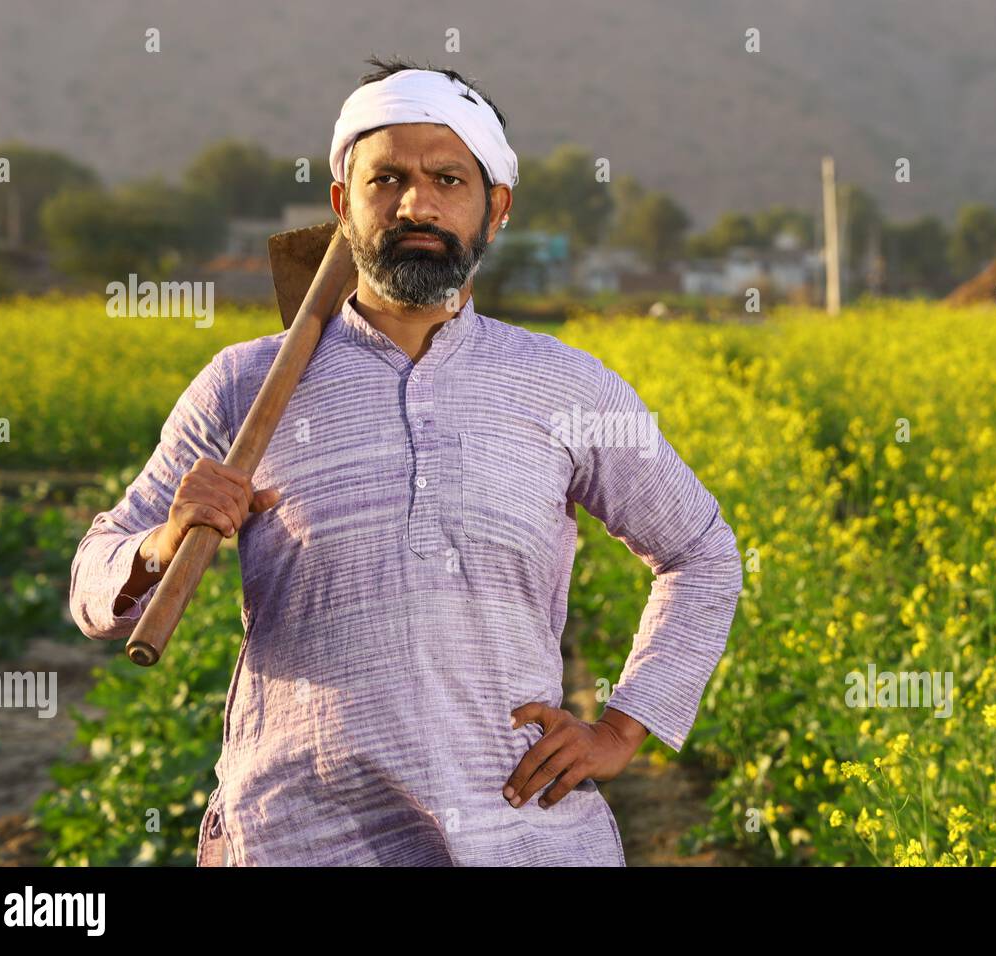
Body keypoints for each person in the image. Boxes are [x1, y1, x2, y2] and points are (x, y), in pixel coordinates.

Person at [69, 55, 743, 866]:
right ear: (341, 205)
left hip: (519, 830)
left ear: (496, 210)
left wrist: (623, 726)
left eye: (448, 180)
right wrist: (161, 542)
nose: (415, 203)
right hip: (301, 835)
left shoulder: (566, 385)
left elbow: (701, 552)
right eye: (385, 180)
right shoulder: (244, 386)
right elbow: (92, 584)